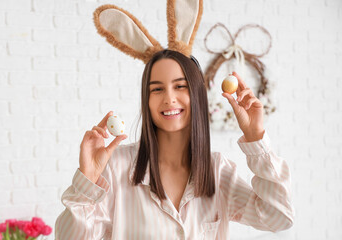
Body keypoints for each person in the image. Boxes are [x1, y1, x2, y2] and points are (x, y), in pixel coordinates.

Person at [55, 50, 294, 239]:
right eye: (157, 89)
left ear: (197, 95)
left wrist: (256, 138)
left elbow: (279, 217)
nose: (169, 98)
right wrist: (87, 181)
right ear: (146, 101)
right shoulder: (117, 166)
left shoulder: (217, 170)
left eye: (180, 86)